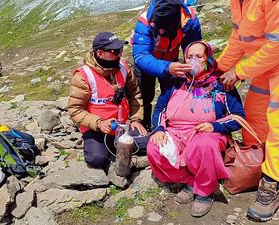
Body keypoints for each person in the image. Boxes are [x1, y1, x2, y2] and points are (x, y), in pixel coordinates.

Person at [147, 41, 245, 217]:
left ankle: (205, 191)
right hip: (175, 132)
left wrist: (214, 126)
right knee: (154, 148)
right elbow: (160, 108)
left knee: (204, 146)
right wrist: (159, 129)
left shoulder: (220, 83)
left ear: (208, 59)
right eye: (189, 56)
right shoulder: (175, 82)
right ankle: (190, 181)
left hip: (205, 133)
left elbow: (238, 116)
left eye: (199, 56)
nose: (194, 60)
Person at [217, 0, 279, 221]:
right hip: (266, 69)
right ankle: (256, 165)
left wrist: (239, 71)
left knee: (277, 128)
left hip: (275, 65)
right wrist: (218, 69)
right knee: (252, 118)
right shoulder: (238, 1)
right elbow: (238, 39)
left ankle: (272, 185)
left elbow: (276, 45)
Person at [68, 32, 148, 170]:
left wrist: (136, 120)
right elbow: (75, 110)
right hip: (96, 128)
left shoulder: (123, 68)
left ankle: (116, 145)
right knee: (97, 159)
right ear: (100, 53)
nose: (120, 55)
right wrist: (98, 123)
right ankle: (108, 146)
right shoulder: (83, 76)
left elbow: (135, 95)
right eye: (115, 51)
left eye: (121, 50)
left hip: (122, 127)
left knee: (149, 144)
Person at [132, 0, 202, 130]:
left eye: (164, 29)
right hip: (147, 63)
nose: (160, 31)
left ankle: (169, 126)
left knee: (171, 95)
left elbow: (193, 49)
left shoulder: (189, 21)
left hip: (171, 60)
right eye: (158, 28)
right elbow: (141, 56)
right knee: (144, 96)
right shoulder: (145, 22)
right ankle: (142, 127)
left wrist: (194, 68)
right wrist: (167, 67)